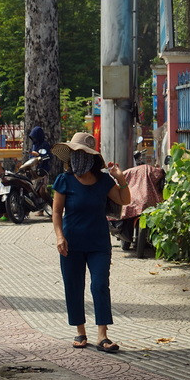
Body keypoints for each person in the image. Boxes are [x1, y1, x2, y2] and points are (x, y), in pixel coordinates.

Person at [51, 132, 130, 352]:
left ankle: (103, 336)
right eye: (74, 154)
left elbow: (125, 200)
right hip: (71, 244)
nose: (78, 159)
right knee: (73, 286)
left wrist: (121, 179)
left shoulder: (104, 181)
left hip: (99, 244)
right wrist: (59, 236)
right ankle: (80, 331)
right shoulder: (64, 180)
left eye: (82, 154)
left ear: (91, 157)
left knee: (99, 285)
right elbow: (56, 212)